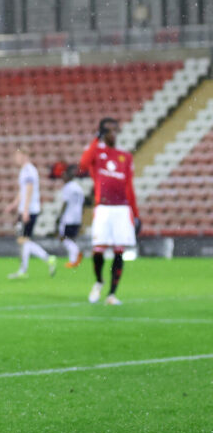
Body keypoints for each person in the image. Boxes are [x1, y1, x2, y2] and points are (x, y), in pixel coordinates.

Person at [78, 118, 140, 305]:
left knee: (119, 251)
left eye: (115, 130)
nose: (113, 134)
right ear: (103, 133)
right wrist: (96, 140)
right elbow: (83, 164)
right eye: (109, 131)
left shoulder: (125, 156)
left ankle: (112, 294)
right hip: (103, 208)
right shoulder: (96, 152)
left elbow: (129, 185)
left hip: (121, 208)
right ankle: (99, 281)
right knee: (98, 251)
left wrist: (135, 213)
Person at [5, 148, 57, 279]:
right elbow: (22, 190)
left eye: (17, 155)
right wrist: (14, 204)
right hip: (26, 209)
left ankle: (47, 258)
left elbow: (29, 190)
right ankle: (23, 270)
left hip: (29, 210)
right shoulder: (25, 170)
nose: (15, 159)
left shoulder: (29, 170)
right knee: (23, 240)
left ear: (24, 155)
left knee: (23, 240)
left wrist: (26, 210)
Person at [56, 168, 86, 268]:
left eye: (64, 176)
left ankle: (76, 254)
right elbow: (83, 203)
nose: (62, 178)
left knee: (63, 238)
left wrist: (60, 216)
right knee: (72, 239)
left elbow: (65, 202)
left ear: (68, 177)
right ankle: (73, 260)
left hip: (68, 217)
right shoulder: (78, 188)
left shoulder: (67, 187)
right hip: (77, 217)